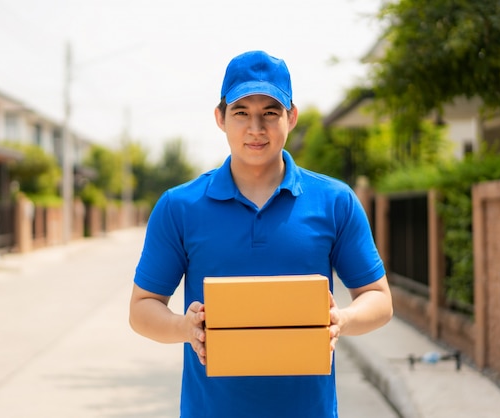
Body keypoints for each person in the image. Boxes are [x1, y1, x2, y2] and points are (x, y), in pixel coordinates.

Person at [129, 50, 393, 417]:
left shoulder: (335, 201)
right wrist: (183, 327)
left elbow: (379, 299)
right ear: (220, 118)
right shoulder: (180, 206)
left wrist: (341, 320)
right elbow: (142, 308)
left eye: (270, 112)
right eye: (241, 113)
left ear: (292, 117)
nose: (256, 128)